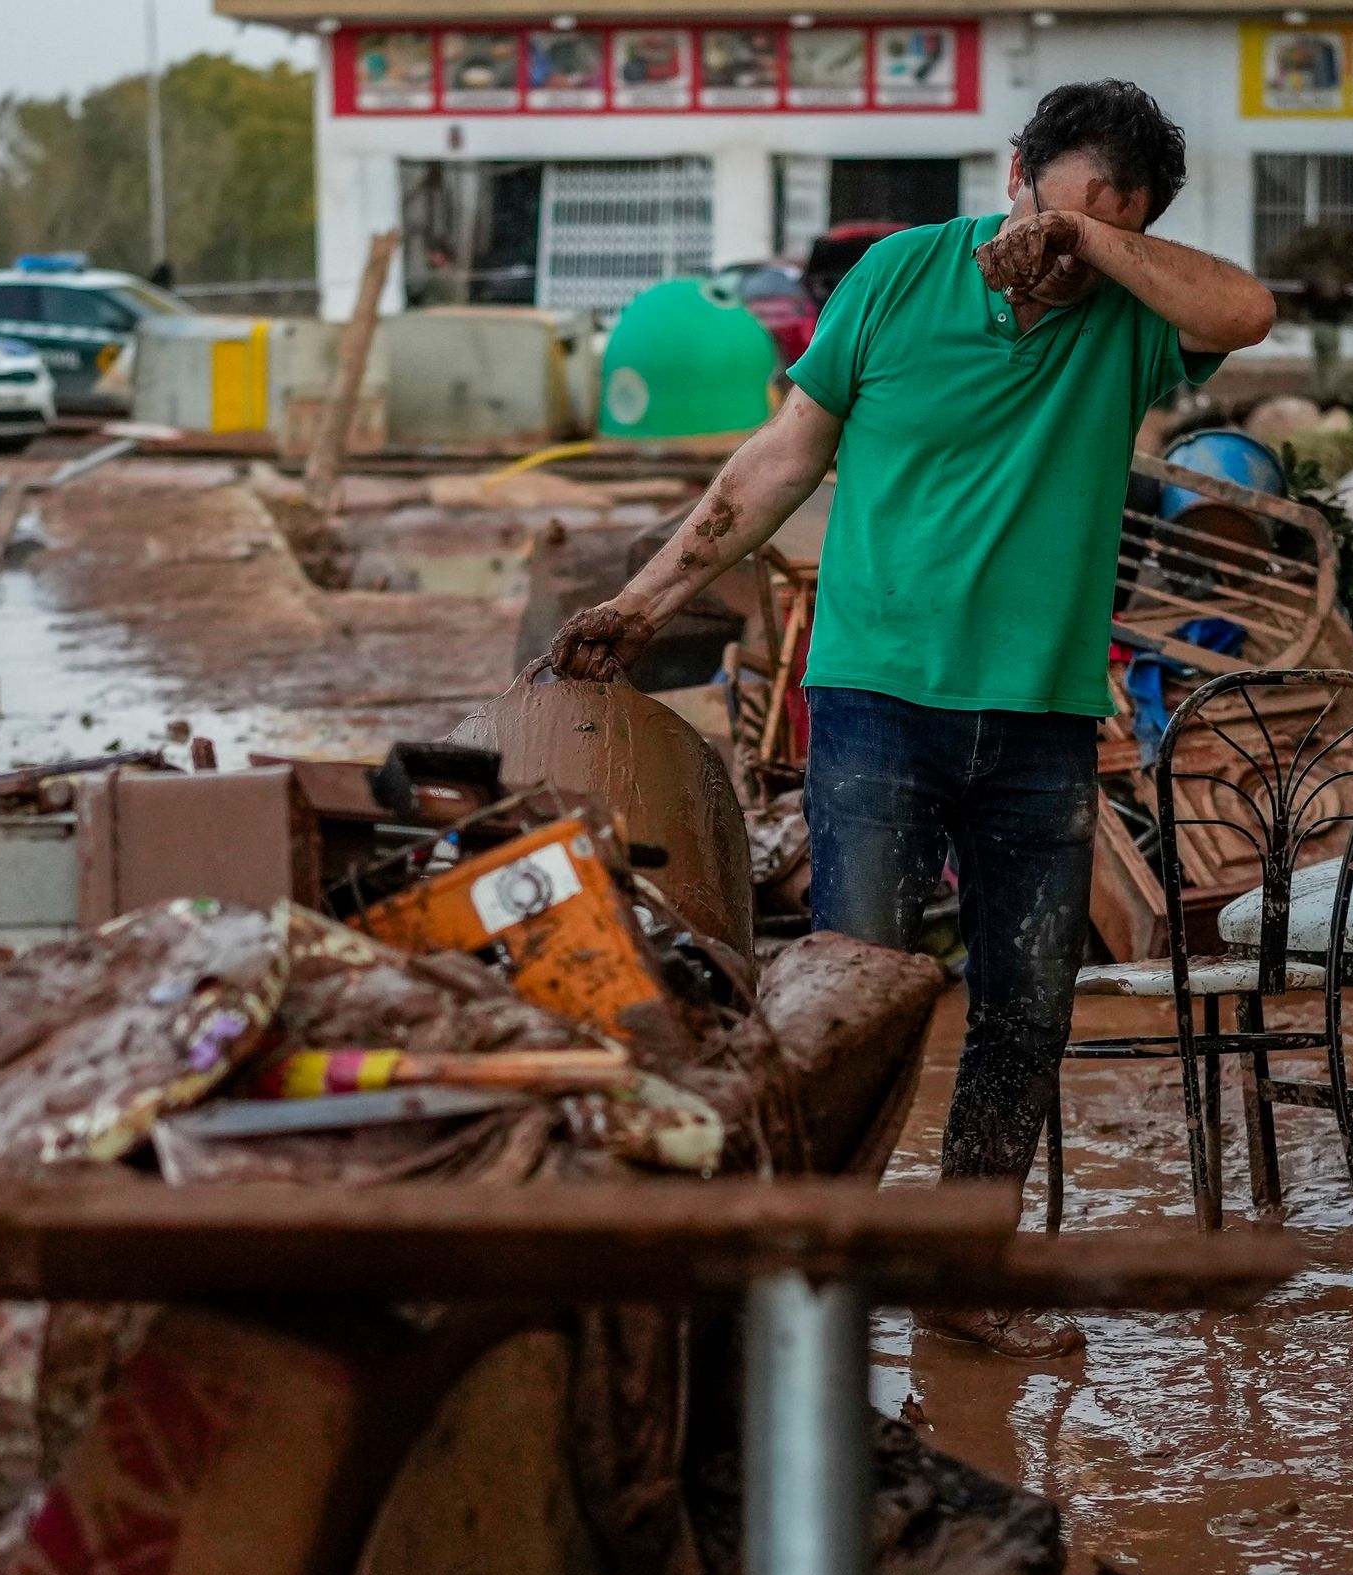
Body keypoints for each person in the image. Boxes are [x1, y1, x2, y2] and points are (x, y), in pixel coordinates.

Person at [546, 82, 1273, 1355]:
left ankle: (963, 1271)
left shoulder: (1134, 317)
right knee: (854, 993)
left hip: (1040, 714)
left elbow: (1245, 311)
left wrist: (1090, 242)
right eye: (1061, 205)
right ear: (1012, 173)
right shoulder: (894, 279)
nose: (1071, 251)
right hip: (876, 697)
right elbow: (779, 460)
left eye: (1118, 224)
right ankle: (819, 1274)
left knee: (1028, 1004)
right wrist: (646, 598)